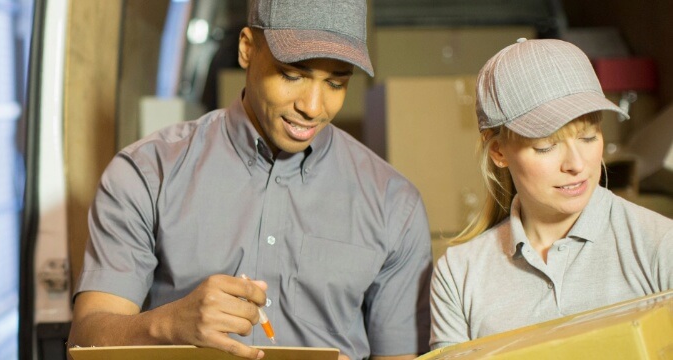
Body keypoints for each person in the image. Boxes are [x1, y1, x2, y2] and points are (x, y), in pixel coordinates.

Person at [67, 0, 433, 359]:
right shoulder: (148, 173)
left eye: (336, 84)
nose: (313, 106)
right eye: (292, 74)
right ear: (246, 49)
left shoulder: (393, 203)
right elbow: (84, 341)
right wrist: (171, 324)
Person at [430, 38, 673, 349]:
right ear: (499, 152)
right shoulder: (459, 274)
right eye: (546, 146)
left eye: (588, 136)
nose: (576, 164)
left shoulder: (659, 247)